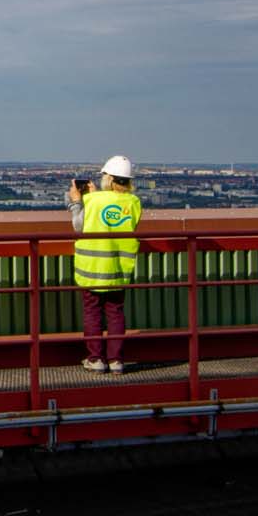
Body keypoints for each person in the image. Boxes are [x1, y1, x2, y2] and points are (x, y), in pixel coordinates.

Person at [69, 155, 142, 374]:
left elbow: (79, 226)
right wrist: (95, 197)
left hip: (92, 268)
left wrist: (76, 202)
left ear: (109, 178)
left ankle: (95, 359)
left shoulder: (94, 200)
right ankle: (116, 361)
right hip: (118, 269)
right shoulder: (134, 202)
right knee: (116, 313)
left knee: (92, 312)